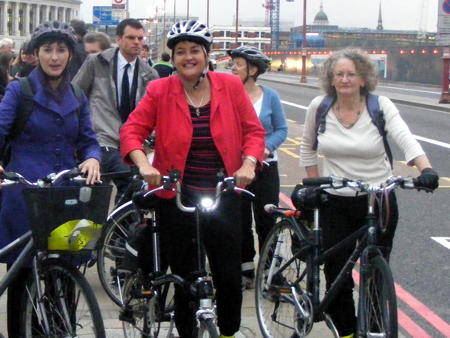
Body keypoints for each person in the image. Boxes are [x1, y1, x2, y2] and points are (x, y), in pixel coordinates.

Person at [120, 20, 265, 338]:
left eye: (195, 51)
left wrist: (249, 164)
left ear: (206, 55)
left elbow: (253, 131)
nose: (188, 57)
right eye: (181, 51)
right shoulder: (160, 89)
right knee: (185, 279)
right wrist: (144, 162)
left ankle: (226, 332)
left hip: (223, 192)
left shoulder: (229, 86)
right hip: (177, 195)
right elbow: (132, 130)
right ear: (172, 58)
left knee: (228, 278)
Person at [299, 48, 439, 338]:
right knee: (336, 270)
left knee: (375, 269)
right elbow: (307, 148)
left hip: (379, 198)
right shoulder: (320, 106)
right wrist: (314, 184)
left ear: (363, 78)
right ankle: (347, 331)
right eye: (339, 74)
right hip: (335, 198)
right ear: (331, 79)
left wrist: (425, 169)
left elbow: (405, 139)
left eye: (352, 74)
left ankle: (375, 329)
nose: (345, 79)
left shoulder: (380, 105)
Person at [0, 21, 101, 337]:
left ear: (70, 55)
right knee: (23, 274)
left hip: (64, 190)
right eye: (47, 50)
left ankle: (61, 329)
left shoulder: (76, 93)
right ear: (36, 54)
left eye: (61, 50)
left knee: (66, 267)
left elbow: (88, 137)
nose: (54, 57)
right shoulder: (20, 90)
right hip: (25, 191)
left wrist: (92, 157)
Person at [73, 18, 158, 203]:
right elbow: (76, 94)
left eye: (140, 38)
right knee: (90, 196)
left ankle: (119, 230)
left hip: (132, 143)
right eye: (131, 37)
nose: (137, 42)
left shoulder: (149, 73)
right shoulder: (96, 62)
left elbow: (154, 112)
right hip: (100, 138)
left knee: (131, 195)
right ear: (118, 39)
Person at [228, 46, 287, 289]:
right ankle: (245, 269)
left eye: (238, 64)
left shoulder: (270, 96)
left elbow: (282, 129)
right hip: (237, 169)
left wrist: (265, 148)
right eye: (233, 64)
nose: (232, 68)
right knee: (239, 220)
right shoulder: (228, 94)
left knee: (266, 220)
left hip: (265, 168)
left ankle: (270, 270)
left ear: (252, 70)